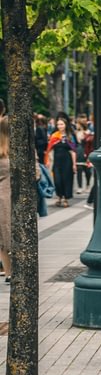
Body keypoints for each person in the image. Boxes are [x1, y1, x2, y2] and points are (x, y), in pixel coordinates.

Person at [45, 114, 77, 208]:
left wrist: (74, 164)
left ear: (65, 125)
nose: (60, 126)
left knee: (66, 180)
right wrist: (48, 161)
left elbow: (73, 151)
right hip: (57, 161)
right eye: (58, 124)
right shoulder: (54, 136)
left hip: (67, 161)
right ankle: (59, 196)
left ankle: (65, 199)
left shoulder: (70, 136)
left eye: (61, 124)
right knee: (57, 180)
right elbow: (49, 149)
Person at [0, 117, 11, 282]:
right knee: (5, 234)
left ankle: (9, 271)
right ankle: (9, 271)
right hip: (6, 197)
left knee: (4, 234)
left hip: (5, 196)